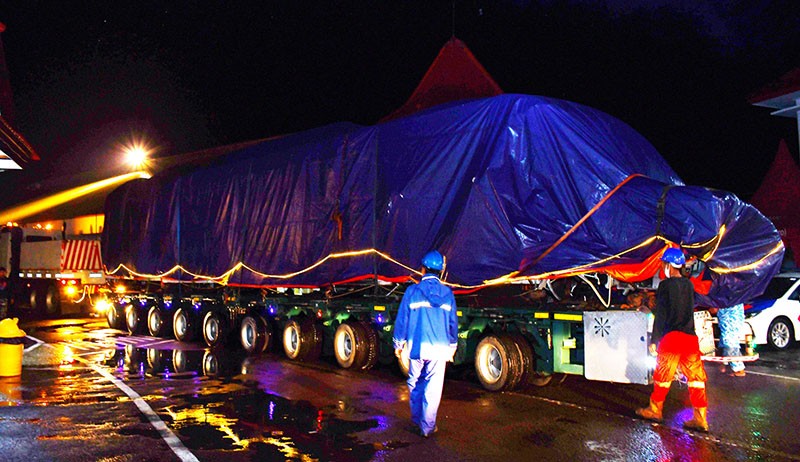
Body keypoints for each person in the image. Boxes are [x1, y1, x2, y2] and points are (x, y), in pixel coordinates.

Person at [636, 248, 709, 432]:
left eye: (662, 264)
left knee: (662, 377)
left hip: (672, 339)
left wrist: (655, 339)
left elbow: (661, 315)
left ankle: (655, 410)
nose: (662, 267)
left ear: (668, 265)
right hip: (690, 339)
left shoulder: (665, 286)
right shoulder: (688, 285)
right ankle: (701, 418)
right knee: (696, 379)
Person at [393, 250, 459, 438]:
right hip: (439, 349)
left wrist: (398, 344)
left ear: (423, 269)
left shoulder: (412, 292)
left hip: (416, 347)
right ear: (440, 271)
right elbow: (453, 323)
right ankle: (427, 427)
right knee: (433, 386)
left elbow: (402, 320)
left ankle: (417, 420)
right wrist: (452, 347)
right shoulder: (447, 294)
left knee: (415, 382)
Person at [717, 303, 746, 377]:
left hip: (729, 318)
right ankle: (724, 363)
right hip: (729, 317)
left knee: (730, 343)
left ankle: (738, 368)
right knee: (727, 341)